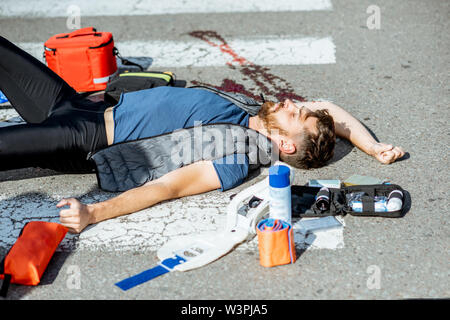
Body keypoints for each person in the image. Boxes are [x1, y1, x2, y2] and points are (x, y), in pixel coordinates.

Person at [0, 36, 405, 233]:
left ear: (284, 144)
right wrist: (372, 147)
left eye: (294, 112)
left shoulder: (236, 156)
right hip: (81, 104)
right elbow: (329, 109)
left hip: (81, 137)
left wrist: (93, 213)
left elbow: (167, 188)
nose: (289, 101)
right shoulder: (253, 114)